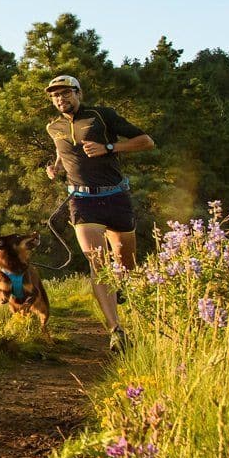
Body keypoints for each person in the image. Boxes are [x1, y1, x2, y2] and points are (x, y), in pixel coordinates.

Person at [43, 74, 154, 349]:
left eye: (65, 93)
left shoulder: (102, 116)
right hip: (82, 201)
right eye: (55, 95)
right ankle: (116, 330)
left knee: (126, 263)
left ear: (78, 93)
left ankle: (123, 286)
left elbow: (146, 141)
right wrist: (56, 168)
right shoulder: (53, 127)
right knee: (98, 263)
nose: (60, 99)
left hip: (115, 196)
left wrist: (109, 148)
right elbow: (62, 150)